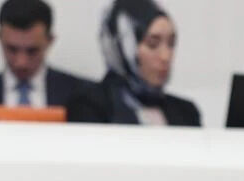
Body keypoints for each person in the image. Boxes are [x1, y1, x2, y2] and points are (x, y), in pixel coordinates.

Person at [66, 0, 200, 126]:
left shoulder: (186, 112)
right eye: (152, 44)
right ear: (122, 48)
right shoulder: (89, 107)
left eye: (171, 43)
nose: (166, 56)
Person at [0, 0, 88, 119]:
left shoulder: (86, 98)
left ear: (50, 40)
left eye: (32, 51)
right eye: (12, 49)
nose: (21, 62)